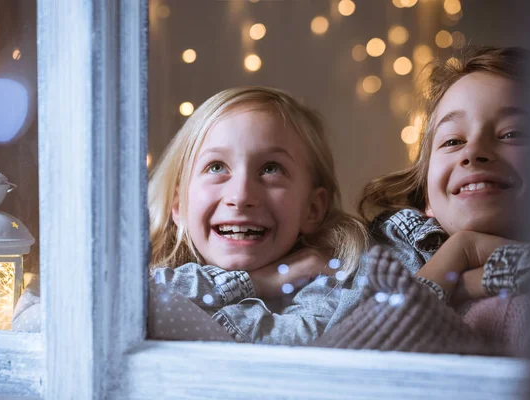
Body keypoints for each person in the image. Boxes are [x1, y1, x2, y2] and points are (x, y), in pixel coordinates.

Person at [317, 46, 530, 356]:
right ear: (426, 200)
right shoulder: (375, 264)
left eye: (512, 134)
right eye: (453, 141)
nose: (472, 152)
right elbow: (341, 370)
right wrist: (456, 256)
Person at [147, 86, 370, 344]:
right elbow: (137, 297)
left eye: (270, 169)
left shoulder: (334, 285)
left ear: (312, 209)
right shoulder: (146, 273)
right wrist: (254, 282)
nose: (241, 197)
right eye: (216, 167)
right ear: (179, 205)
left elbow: (287, 351)